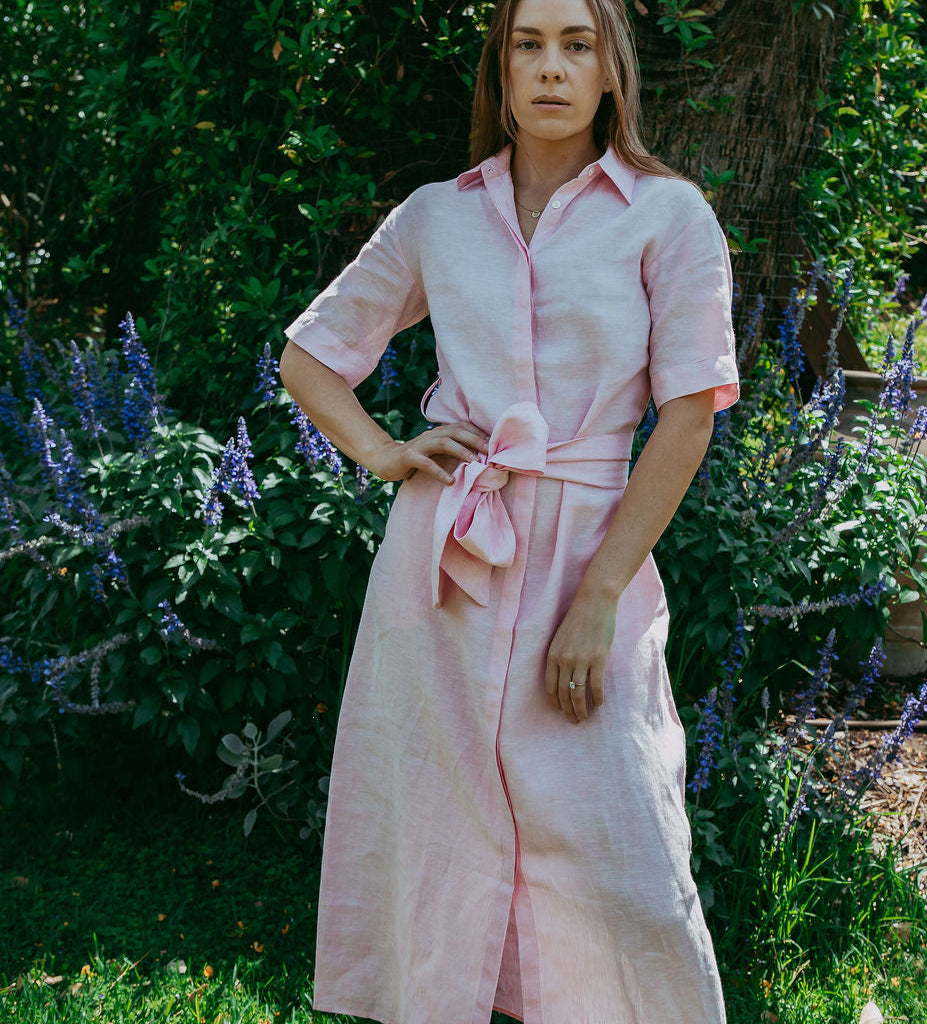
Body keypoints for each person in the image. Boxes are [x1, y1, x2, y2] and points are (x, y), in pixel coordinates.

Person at [279, 0, 739, 1020]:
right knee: (437, 824)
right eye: (528, 45)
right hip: (444, 553)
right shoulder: (436, 216)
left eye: (577, 46)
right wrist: (385, 452)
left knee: (618, 830)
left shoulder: (669, 217)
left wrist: (600, 595)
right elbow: (310, 356)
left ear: (611, 72)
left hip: (588, 552)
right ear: (501, 68)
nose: (551, 67)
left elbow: (687, 417)